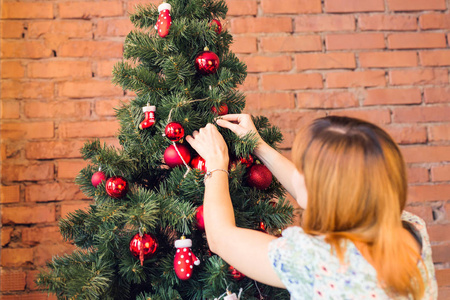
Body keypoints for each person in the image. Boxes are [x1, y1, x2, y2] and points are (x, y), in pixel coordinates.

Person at [186, 114, 437, 299]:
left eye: (304, 170)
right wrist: (258, 145)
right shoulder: (411, 229)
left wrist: (216, 163)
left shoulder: (313, 257)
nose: (298, 176)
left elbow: (220, 239)